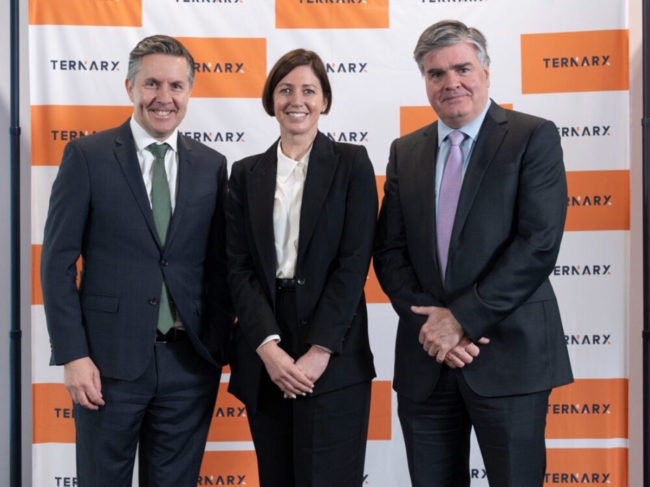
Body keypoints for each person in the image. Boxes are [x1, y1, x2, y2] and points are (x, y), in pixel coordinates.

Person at [373, 20, 573, 487]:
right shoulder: (405, 151)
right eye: (435, 73)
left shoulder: (533, 137)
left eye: (462, 68)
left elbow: (539, 244)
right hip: (427, 360)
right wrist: (433, 328)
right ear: (424, 81)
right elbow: (389, 251)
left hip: (509, 356)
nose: (450, 82)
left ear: (485, 70)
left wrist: (460, 320)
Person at [40, 35, 233, 486]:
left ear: (189, 92)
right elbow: (57, 262)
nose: (163, 98)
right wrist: (73, 354)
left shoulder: (212, 164)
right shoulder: (87, 157)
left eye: (175, 86)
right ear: (129, 86)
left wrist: (216, 346)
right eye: (151, 84)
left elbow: (220, 267)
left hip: (189, 366)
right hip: (106, 367)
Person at [226, 48, 377, 487]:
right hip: (265, 342)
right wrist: (268, 348)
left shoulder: (352, 164)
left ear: (324, 101)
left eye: (309, 90)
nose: (298, 100)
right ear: (271, 100)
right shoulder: (245, 173)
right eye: (286, 89)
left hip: (334, 347)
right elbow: (238, 269)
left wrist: (320, 350)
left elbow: (354, 264)